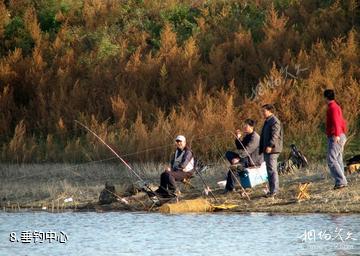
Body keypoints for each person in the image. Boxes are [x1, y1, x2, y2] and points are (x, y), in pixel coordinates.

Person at [224, 119, 263, 193]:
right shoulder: (248, 135)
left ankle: (229, 189)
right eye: (244, 125)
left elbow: (248, 150)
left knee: (233, 168)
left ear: (251, 127)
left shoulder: (255, 137)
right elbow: (240, 147)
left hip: (252, 160)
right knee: (228, 153)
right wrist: (237, 138)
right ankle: (239, 167)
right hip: (245, 158)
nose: (244, 127)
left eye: (246, 126)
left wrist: (238, 158)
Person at [324, 89, 347, 189]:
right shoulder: (336, 106)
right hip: (340, 135)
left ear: (325, 97)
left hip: (336, 136)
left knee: (331, 159)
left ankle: (341, 181)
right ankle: (342, 181)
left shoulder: (332, 108)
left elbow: (336, 122)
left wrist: (337, 134)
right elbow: (342, 122)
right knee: (338, 159)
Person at [259, 104, 283, 198]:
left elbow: (275, 135)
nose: (262, 113)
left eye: (264, 111)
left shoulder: (274, 121)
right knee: (269, 170)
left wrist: (269, 146)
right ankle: (271, 190)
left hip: (273, 149)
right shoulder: (267, 121)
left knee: (272, 170)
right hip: (267, 150)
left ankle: (274, 191)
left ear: (270, 111)